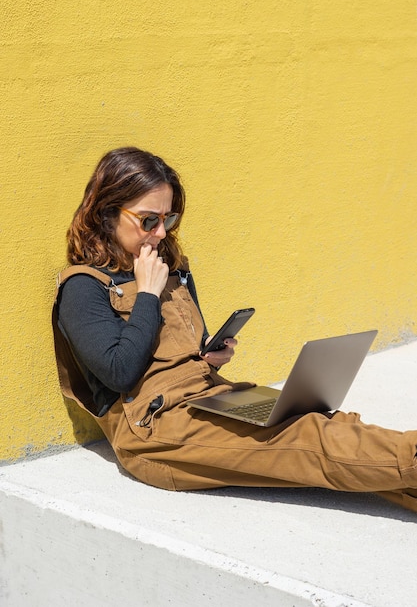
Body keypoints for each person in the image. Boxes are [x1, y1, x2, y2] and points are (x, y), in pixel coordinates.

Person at [53, 146, 417, 512]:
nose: (161, 233)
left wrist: (213, 355)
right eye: (149, 220)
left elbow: (182, 352)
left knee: (324, 421)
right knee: (310, 440)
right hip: (155, 432)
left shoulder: (170, 268)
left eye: (169, 218)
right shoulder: (84, 287)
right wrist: (147, 292)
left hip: (208, 397)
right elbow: (120, 372)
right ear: (106, 213)